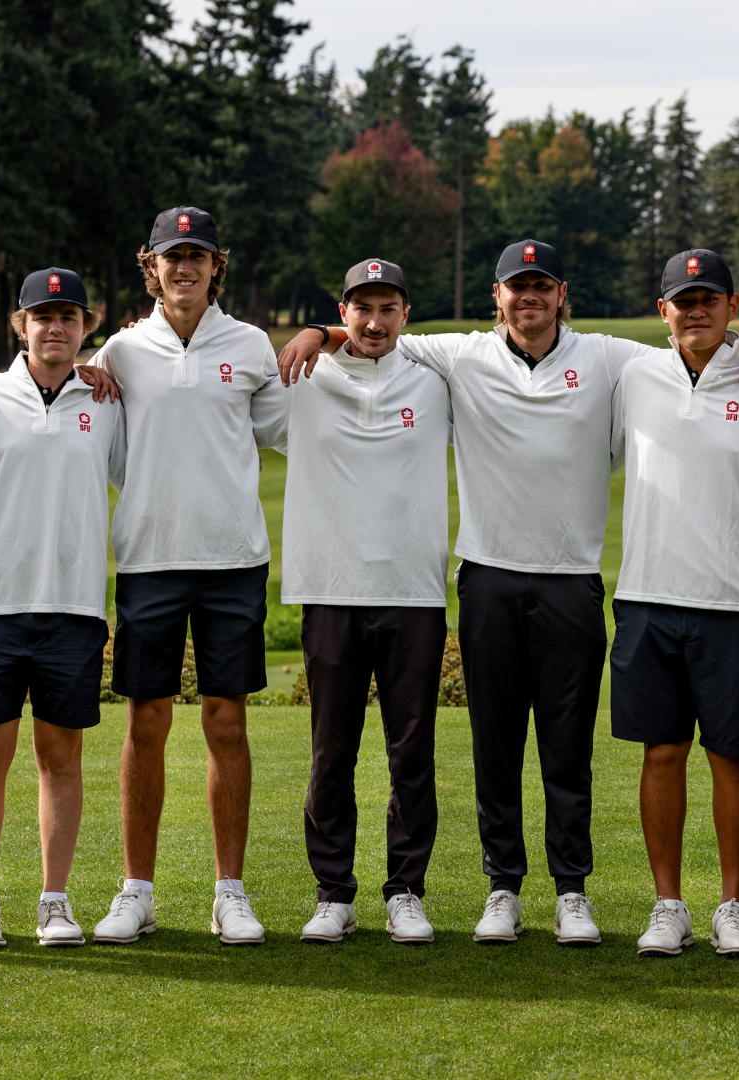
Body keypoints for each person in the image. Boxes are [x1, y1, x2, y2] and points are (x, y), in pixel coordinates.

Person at [280, 239, 739, 947]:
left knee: (567, 749)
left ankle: (571, 889)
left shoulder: (610, 359)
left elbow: (690, 344)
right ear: (498, 297)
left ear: (562, 294)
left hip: (571, 579)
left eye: (542, 286)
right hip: (487, 575)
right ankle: (503, 887)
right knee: (495, 745)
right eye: (518, 287)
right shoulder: (460, 356)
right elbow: (375, 329)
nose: (530, 298)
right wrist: (314, 332)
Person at [88, 207, 287, 947]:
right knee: (146, 722)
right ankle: (136, 890)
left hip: (233, 557)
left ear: (215, 267)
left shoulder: (251, 345)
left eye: (198, 256)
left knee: (226, 722)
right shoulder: (121, 350)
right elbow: (105, 448)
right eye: (173, 257)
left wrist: (324, 335)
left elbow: (284, 428)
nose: (185, 268)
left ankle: (228, 892)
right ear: (152, 268)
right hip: (148, 557)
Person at [610, 250, 739, 959]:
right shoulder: (634, 375)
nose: (695, 310)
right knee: (661, 753)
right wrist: (328, 332)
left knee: (731, 757)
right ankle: (668, 905)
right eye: (682, 300)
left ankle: (732, 906)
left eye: (708, 298)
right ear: (663, 311)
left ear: (732, 305)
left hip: (737, 601)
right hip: (649, 598)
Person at [281, 259, 447, 946]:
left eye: (387, 308)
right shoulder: (302, 377)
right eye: (360, 308)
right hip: (330, 588)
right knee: (332, 751)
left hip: (413, 591)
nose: (373, 322)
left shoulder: (437, 380)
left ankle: (405, 891)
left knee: (411, 751)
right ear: (340, 311)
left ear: (406, 313)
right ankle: (334, 894)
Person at [0, 269, 122, 949]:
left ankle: (55, 902)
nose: (55, 327)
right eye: (42, 316)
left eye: (69, 316)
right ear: (19, 324)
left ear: (88, 325)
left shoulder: (109, 399)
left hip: (74, 605)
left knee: (61, 754)